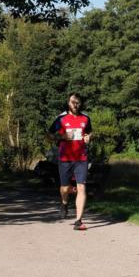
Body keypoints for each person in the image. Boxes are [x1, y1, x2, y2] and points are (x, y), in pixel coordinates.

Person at [48, 92, 92, 230]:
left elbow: (89, 132)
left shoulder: (85, 118)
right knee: (65, 188)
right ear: (68, 102)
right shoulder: (61, 118)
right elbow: (49, 135)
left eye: (78, 102)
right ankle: (64, 203)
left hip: (81, 158)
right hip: (65, 158)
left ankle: (78, 221)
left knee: (81, 187)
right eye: (73, 102)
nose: (75, 104)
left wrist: (88, 137)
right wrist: (61, 137)